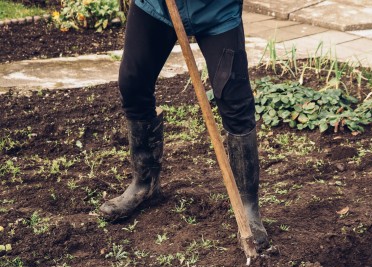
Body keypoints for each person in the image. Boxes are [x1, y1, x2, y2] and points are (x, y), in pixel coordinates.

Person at [99, 0, 270, 251]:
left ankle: (248, 207)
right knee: (133, 83)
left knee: (234, 99)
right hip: (157, 7)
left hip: (217, 10)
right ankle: (144, 185)